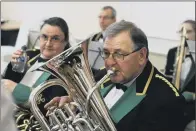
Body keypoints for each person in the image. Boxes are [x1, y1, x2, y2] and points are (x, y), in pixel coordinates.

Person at [45, 20, 186, 131]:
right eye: (106, 53)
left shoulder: (167, 100)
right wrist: (73, 105)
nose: (109, 62)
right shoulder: (101, 75)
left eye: (119, 54)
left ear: (142, 56)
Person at [2, 17, 70, 115]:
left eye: (55, 38)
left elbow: (49, 104)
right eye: (44, 37)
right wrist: (14, 67)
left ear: (65, 41)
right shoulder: (30, 54)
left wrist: (16, 89)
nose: (48, 43)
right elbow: (7, 81)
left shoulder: (67, 69)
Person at [164, 20, 195, 127]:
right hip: (173, 101)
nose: (184, 36)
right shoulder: (172, 52)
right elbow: (168, 77)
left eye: (188, 31)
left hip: (192, 106)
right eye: (181, 32)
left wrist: (193, 96)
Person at [88, 6, 117, 80]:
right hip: (92, 71)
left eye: (105, 17)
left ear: (114, 19)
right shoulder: (94, 36)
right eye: (100, 17)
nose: (101, 20)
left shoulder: (118, 38)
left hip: (109, 73)